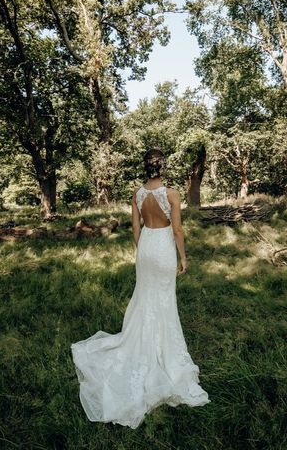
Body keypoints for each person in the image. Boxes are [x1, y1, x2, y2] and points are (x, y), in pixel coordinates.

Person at [70, 148, 210, 429]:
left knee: (145, 297)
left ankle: (142, 342)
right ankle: (161, 351)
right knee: (163, 299)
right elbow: (178, 230)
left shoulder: (137, 194)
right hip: (163, 247)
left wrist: (141, 249)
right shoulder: (171, 194)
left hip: (146, 246)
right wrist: (183, 256)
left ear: (145, 167)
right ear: (163, 167)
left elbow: (135, 227)